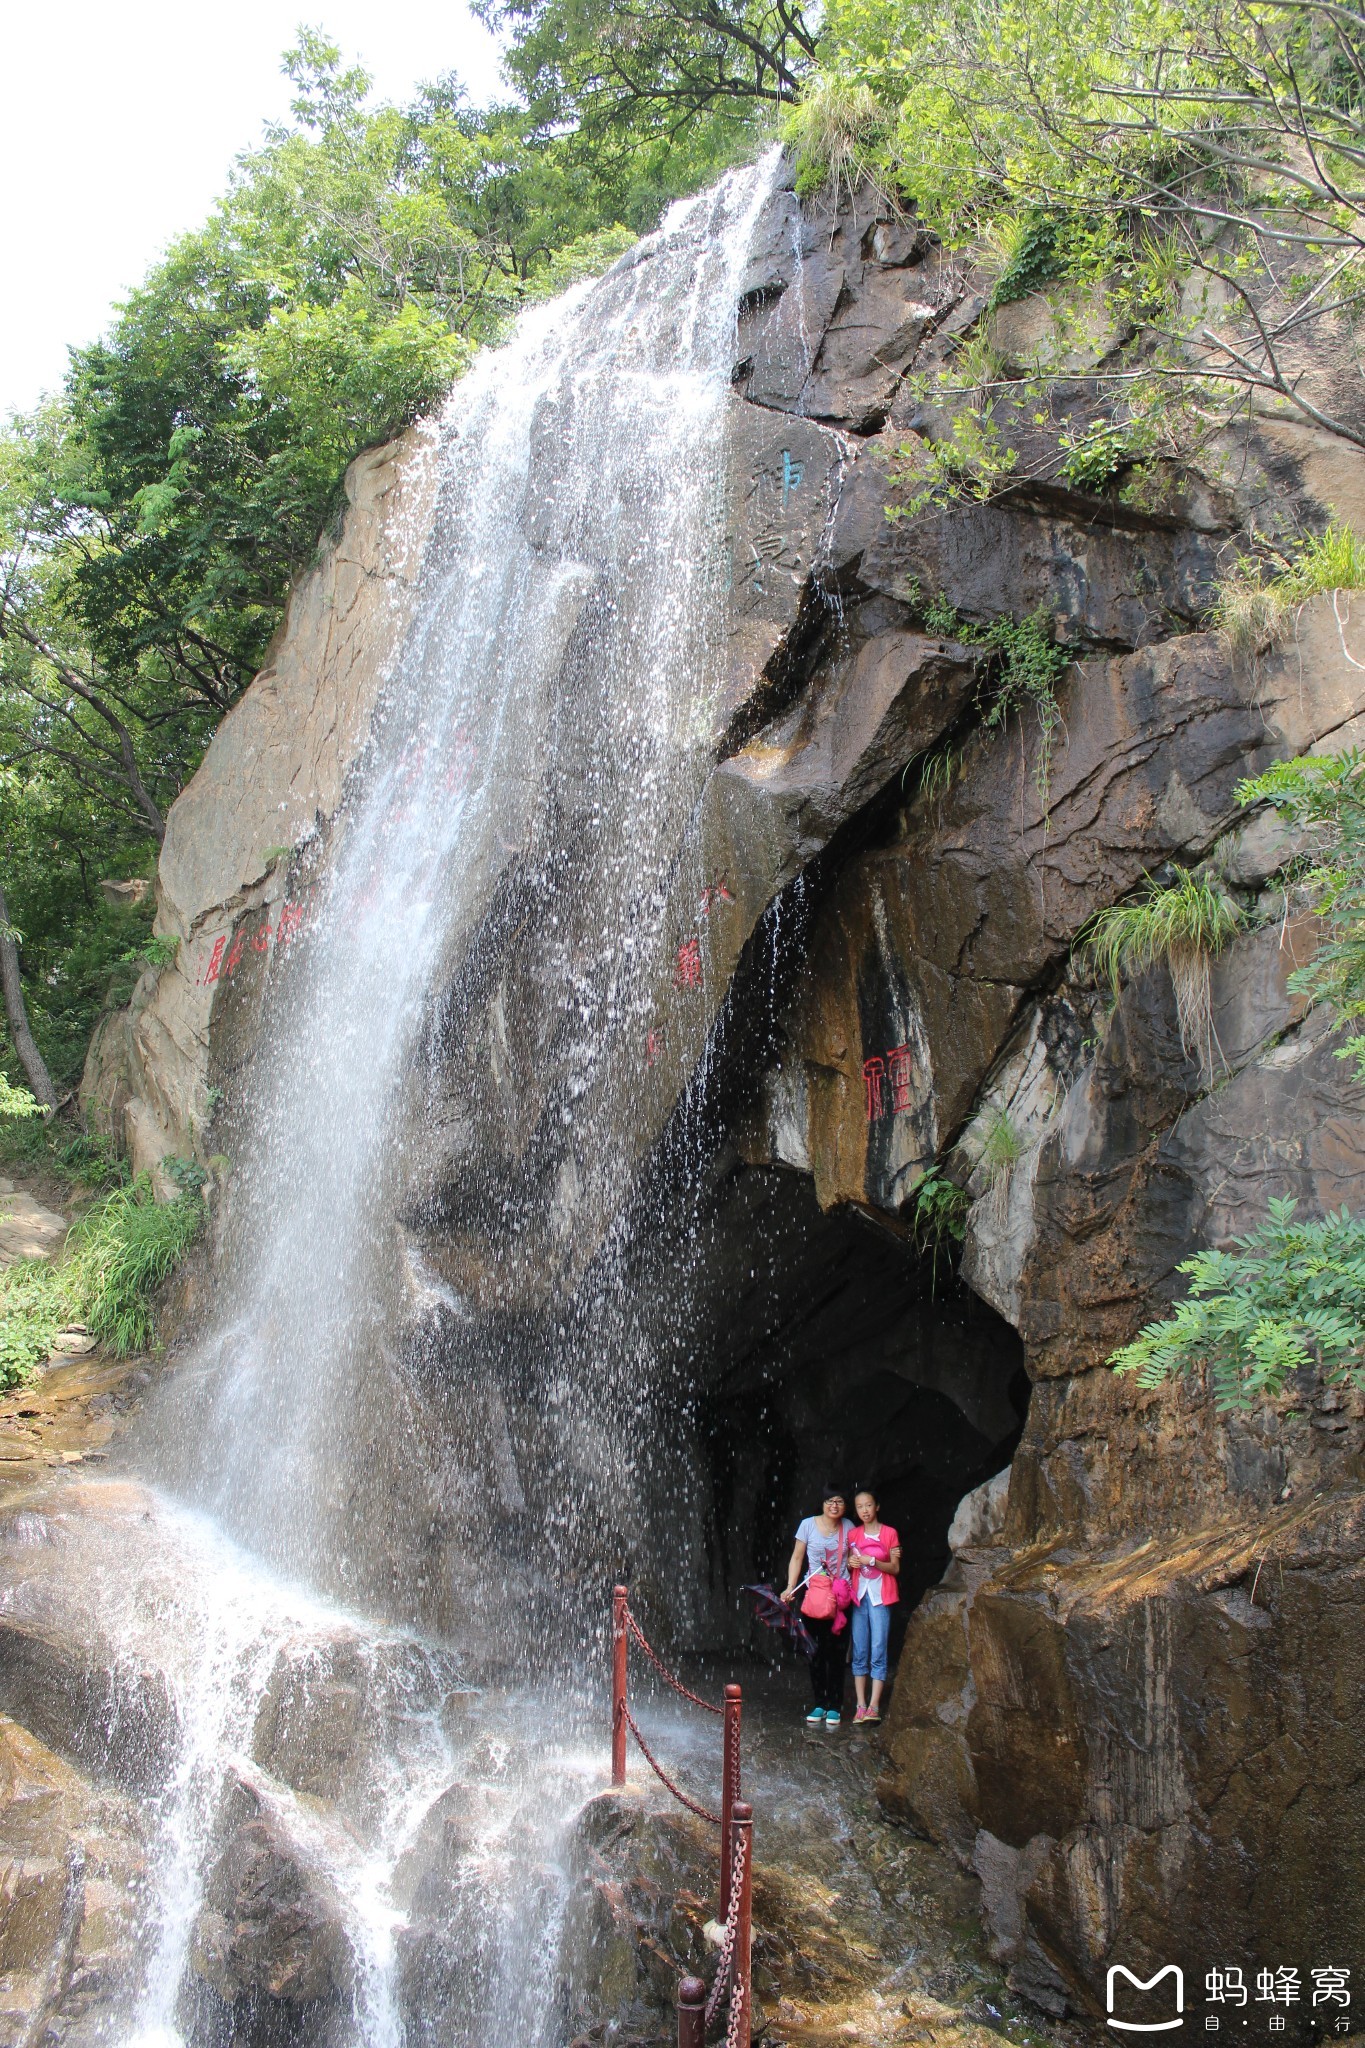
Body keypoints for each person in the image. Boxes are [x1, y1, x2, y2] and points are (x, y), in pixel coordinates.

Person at [781, 1488, 855, 1727]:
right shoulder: (807, 1525)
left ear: (844, 1505)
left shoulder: (849, 1527)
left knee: (836, 1653)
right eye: (830, 1501)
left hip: (840, 1600)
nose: (834, 1505)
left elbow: (857, 1557)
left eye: (839, 1501)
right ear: (822, 1503)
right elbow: (797, 1557)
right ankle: (819, 1702)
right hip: (814, 1596)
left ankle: (835, 1705)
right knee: (814, 1652)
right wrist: (790, 1587)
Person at [848, 1486, 900, 1723]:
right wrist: (851, 1563)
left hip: (881, 1597)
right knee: (859, 1651)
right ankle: (860, 1706)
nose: (865, 1510)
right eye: (860, 1507)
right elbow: (850, 1567)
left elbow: (895, 1568)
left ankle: (874, 1706)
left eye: (868, 1505)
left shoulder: (890, 1533)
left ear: (877, 1506)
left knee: (878, 1649)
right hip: (860, 1597)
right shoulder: (853, 1535)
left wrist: (874, 1561)